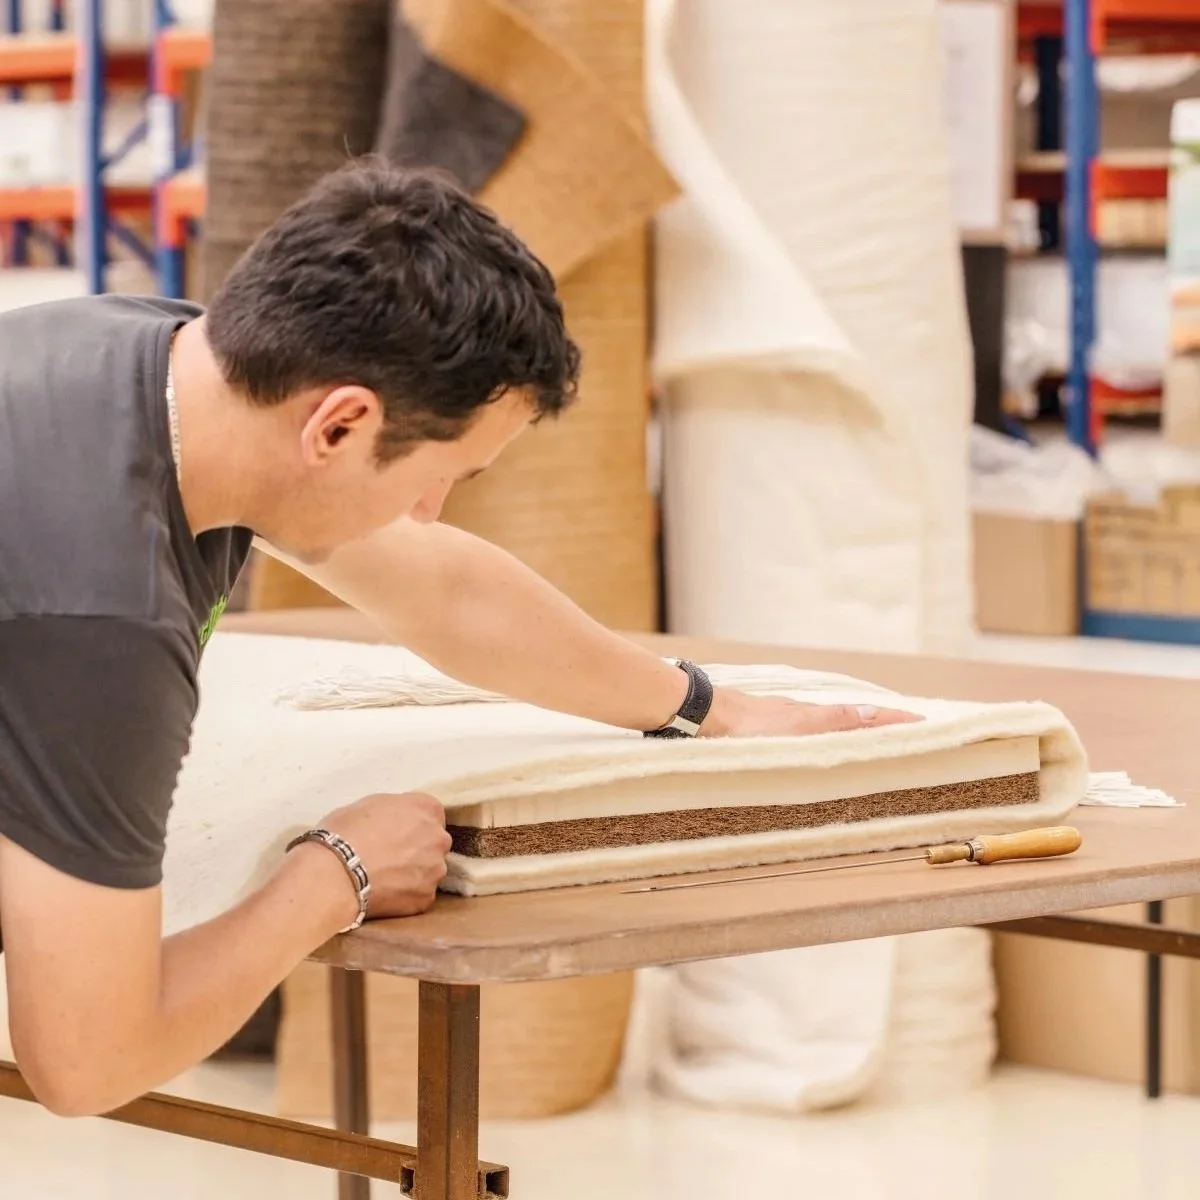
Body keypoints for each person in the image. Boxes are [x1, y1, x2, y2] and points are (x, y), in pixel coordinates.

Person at [0, 158, 919, 1118]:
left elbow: (446, 592)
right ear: (341, 423)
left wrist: (710, 710)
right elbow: (88, 1059)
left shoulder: (144, 356)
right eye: (442, 477)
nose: (430, 512)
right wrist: (337, 872)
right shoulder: (99, 614)